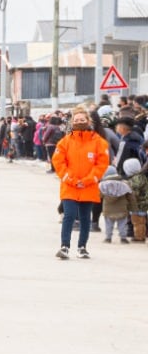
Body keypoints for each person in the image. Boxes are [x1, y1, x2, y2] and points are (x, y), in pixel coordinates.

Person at [52, 107, 109, 260]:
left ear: (88, 121)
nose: (79, 122)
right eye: (76, 120)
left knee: (85, 218)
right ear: (72, 122)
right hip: (69, 186)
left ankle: (82, 247)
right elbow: (58, 162)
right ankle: (64, 246)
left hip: (88, 187)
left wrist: (88, 180)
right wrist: (68, 178)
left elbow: (102, 164)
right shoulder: (65, 142)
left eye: (82, 120)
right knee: (69, 215)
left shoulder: (99, 142)